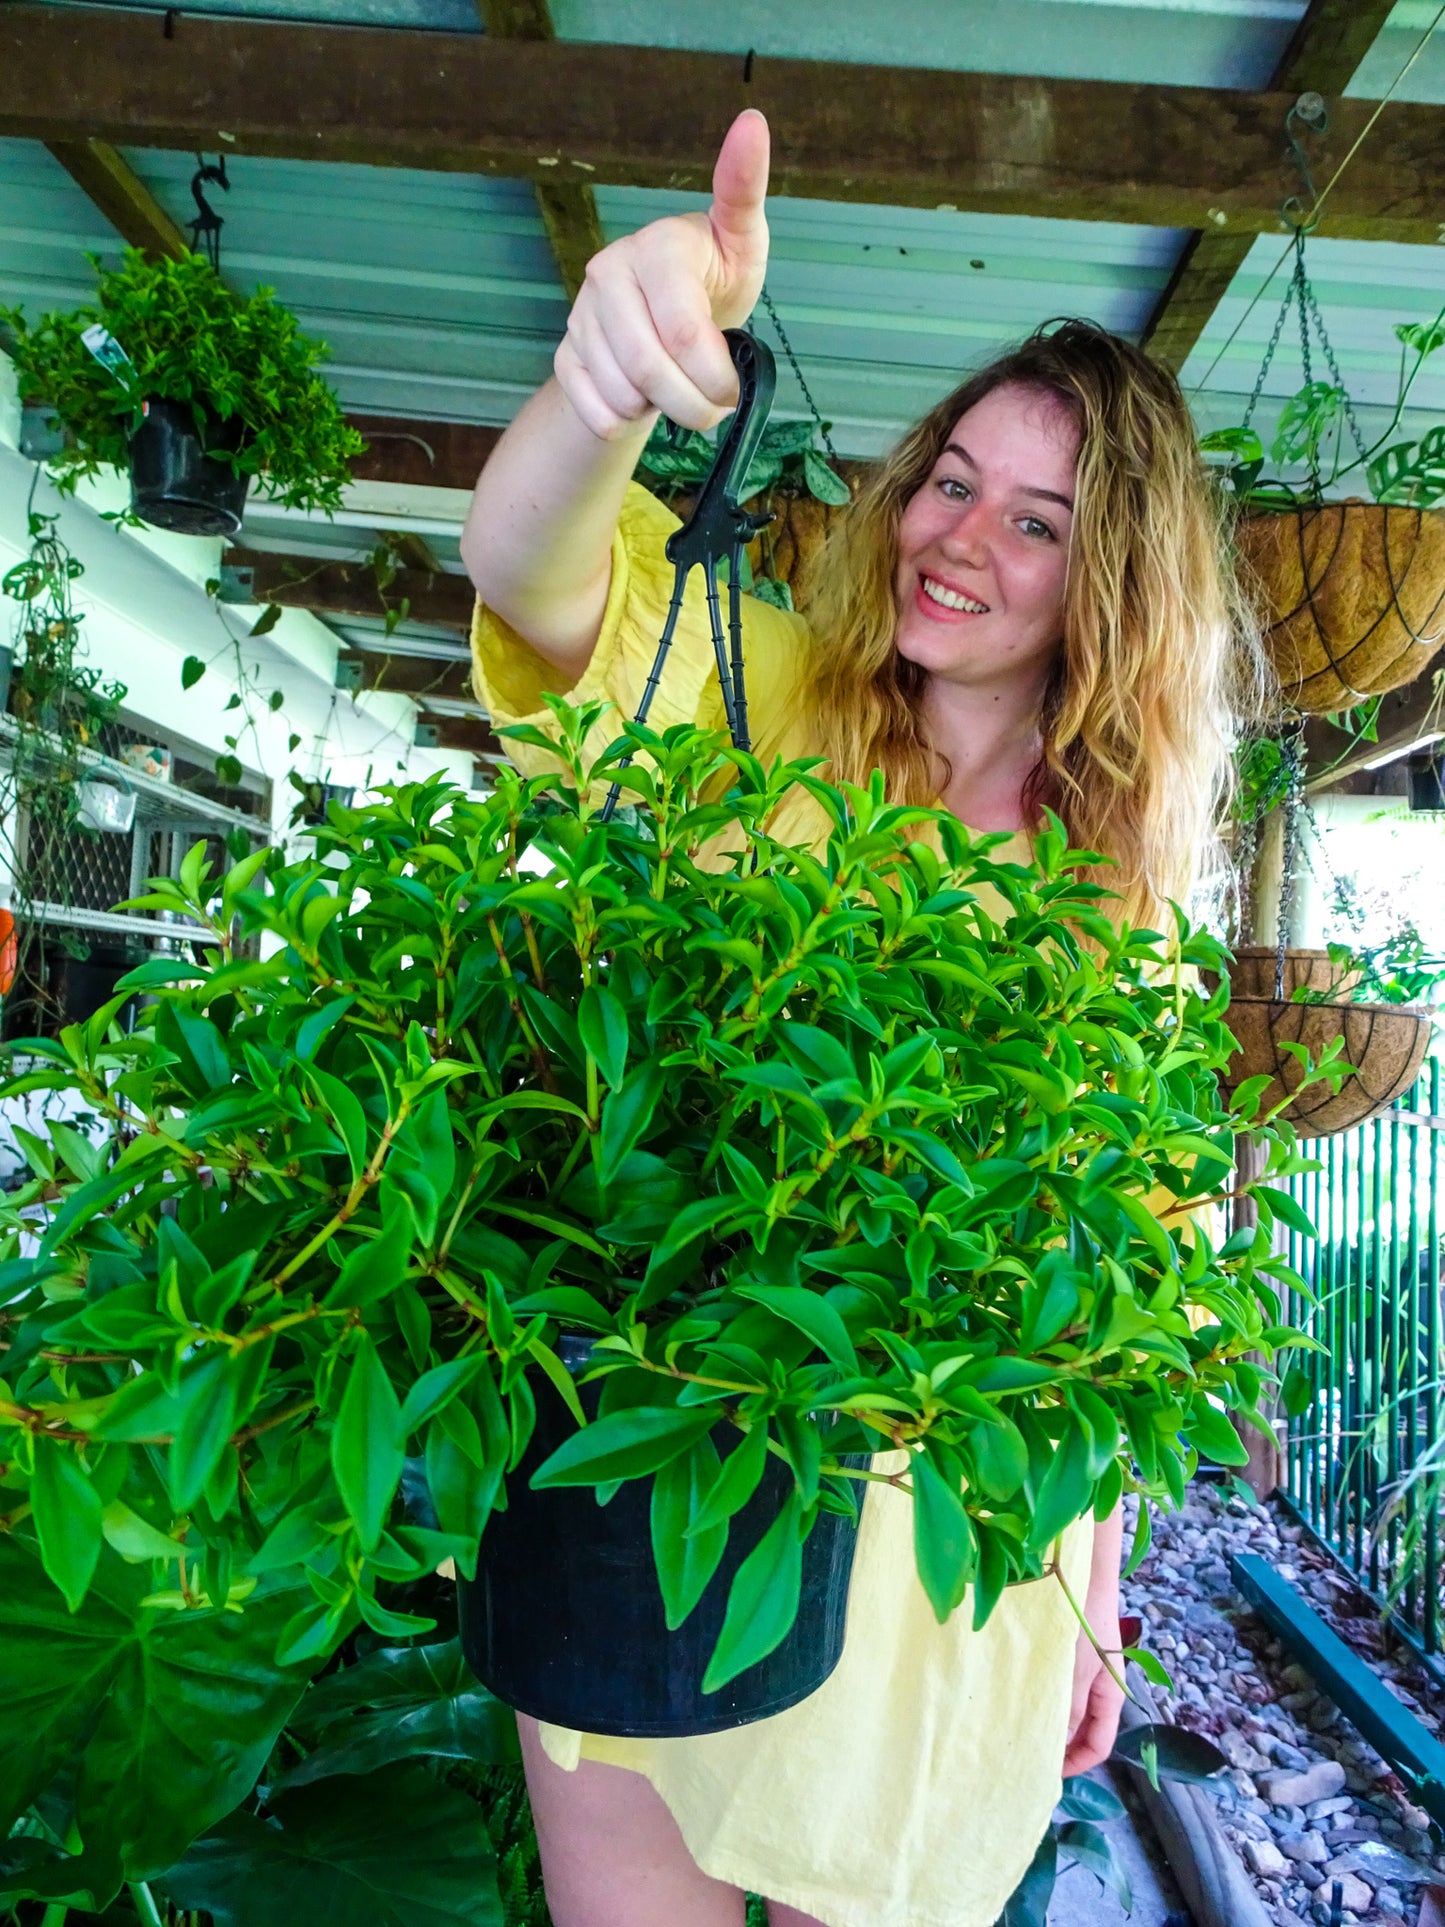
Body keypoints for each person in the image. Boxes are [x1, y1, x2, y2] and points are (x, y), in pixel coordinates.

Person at [462, 107, 1258, 1927]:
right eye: (950, 477)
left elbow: (1109, 1319)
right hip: (675, 1487)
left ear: (1114, 591)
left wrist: (1092, 1591)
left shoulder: (1120, 928)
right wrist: (603, 383)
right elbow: (533, 579)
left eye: (1036, 520)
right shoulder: (758, 701)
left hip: (931, 1579)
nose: (954, 536)